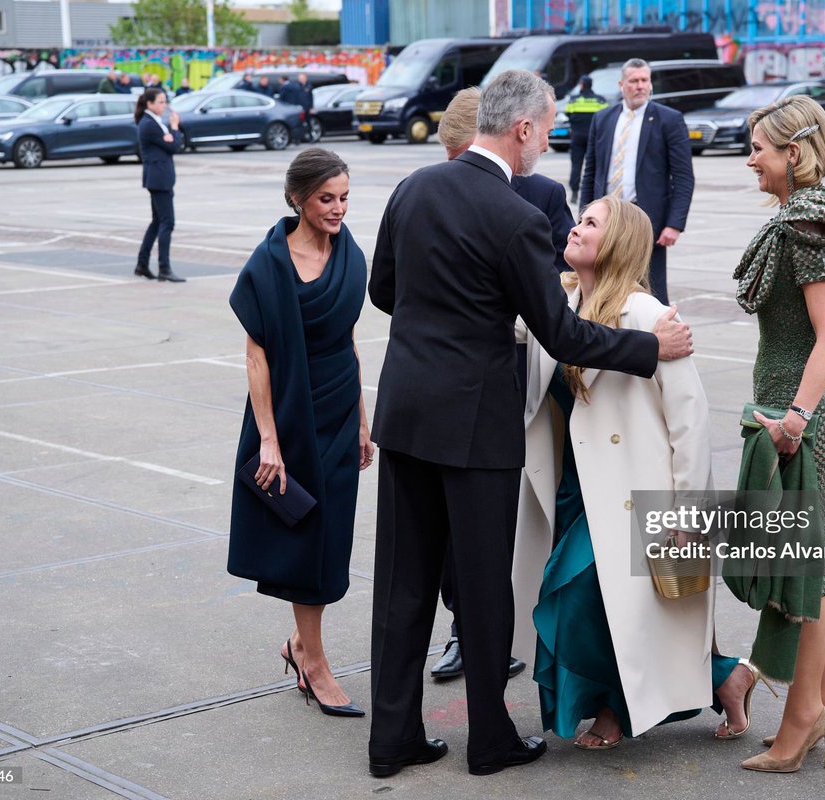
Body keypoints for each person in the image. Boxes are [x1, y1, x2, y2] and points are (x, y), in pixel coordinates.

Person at [366, 68, 694, 779]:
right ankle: (490, 741)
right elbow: (563, 334)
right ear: (521, 130)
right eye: (547, 131)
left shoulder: (414, 187)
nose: (547, 144)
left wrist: (438, 323)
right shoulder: (514, 216)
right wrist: (650, 348)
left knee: (402, 584)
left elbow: (383, 290)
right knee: (484, 589)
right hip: (477, 423)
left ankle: (390, 741)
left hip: (406, 413)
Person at [511, 195, 765, 751]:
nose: (575, 228)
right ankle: (726, 676)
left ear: (618, 243)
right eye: (579, 220)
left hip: (633, 490)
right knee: (608, 604)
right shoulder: (560, 305)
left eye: (590, 223)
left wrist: (689, 514)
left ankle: (613, 709)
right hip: (572, 485)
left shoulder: (650, 317)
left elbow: (689, 421)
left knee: (582, 596)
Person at [425, 86, 571, 683]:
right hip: (457, 380)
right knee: (454, 526)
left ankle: (512, 627)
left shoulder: (540, 195)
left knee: (512, 514)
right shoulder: (433, 189)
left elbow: (570, 270)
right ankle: (465, 626)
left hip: (521, 372)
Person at [733, 94, 825, 773]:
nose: (750, 157)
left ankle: (802, 717)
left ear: (794, 153)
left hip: (806, 413)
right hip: (788, 406)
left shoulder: (809, 221)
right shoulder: (791, 214)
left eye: (759, 147)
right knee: (813, 564)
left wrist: (798, 416)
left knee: (811, 569)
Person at [228, 148, 372, 719]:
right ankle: (313, 662)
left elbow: (350, 341)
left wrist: (362, 420)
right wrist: (269, 439)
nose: (337, 209)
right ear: (298, 199)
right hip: (287, 416)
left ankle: (299, 648)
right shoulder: (268, 264)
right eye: (325, 199)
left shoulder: (349, 255)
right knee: (305, 536)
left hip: (339, 409)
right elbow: (256, 357)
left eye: (343, 198)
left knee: (331, 537)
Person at [581, 59, 694, 305]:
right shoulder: (602, 119)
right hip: (607, 218)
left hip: (647, 222)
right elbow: (590, 171)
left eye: (645, 80)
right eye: (634, 81)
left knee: (649, 292)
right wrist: (584, 217)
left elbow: (684, 176)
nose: (640, 86)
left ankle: (657, 340)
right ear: (622, 85)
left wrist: (674, 224)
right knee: (602, 285)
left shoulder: (669, 120)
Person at [134, 88, 185, 283]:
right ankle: (164, 267)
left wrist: (171, 135)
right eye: (161, 102)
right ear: (150, 104)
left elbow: (171, 145)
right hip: (159, 178)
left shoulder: (153, 122)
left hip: (160, 177)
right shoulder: (149, 124)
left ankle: (142, 264)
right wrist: (174, 128)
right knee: (167, 222)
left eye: (165, 102)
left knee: (157, 222)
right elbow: (173, 147)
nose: (164, 106)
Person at [565, 75, 607, 204]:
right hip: (593, 139)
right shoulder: (600, 101)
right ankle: (595, 193)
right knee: (594, 166)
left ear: (582, 85)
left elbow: (568, 114)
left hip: (577, 137)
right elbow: (605, 117)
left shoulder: (573, 100)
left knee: (576, 165)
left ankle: (574, 193)